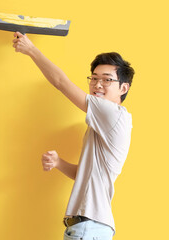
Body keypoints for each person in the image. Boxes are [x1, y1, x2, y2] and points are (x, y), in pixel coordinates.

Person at [12, 31, 135, 240]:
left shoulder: (112, 114)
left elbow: (61, 82)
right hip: (89, 227)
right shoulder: (104, 125)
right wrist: (59, 163)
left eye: (106, 80)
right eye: (94, 78)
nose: (97, 84)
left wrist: (31, 50)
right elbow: (85, 175)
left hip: (89, 228)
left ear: (123, 87)